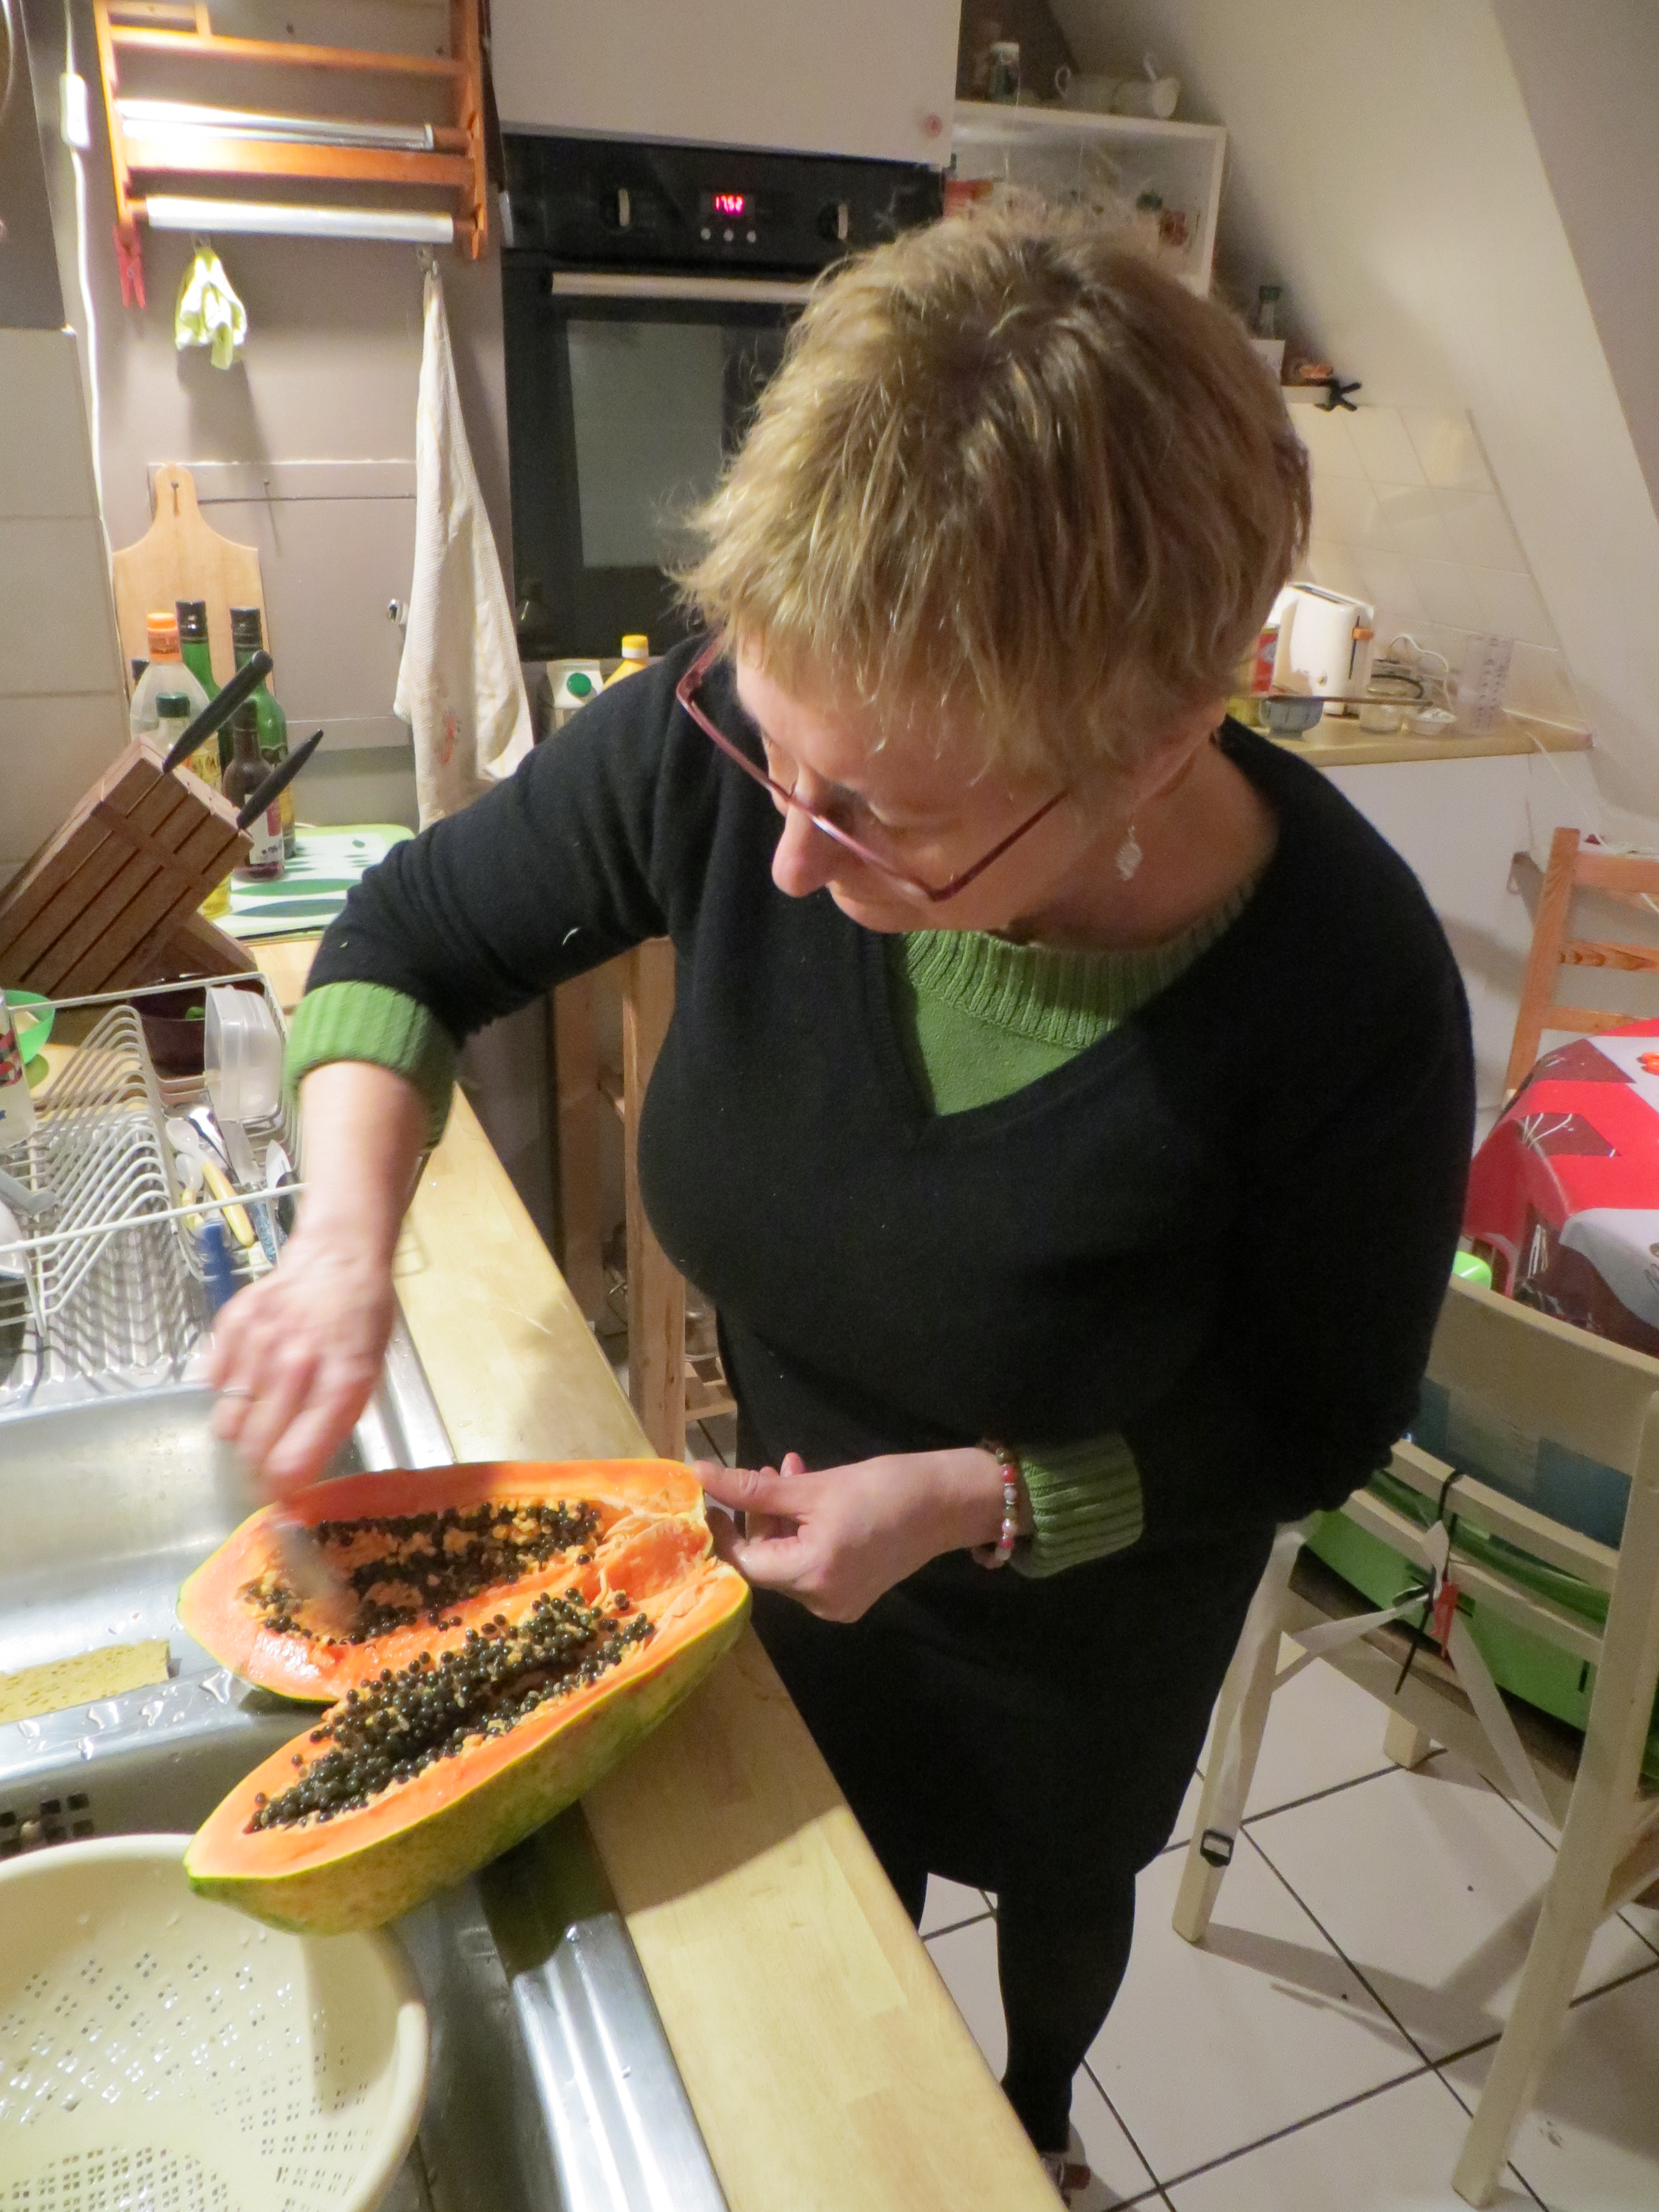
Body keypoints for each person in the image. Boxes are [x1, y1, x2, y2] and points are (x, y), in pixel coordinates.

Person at [211, 210, 1473, 2198]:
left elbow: (1318, 1414)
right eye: (774, 759)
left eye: (878, 818)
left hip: (1089, 1616)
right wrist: (342, 1248)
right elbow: (405, 938)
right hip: (782, 1563)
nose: (786, 865)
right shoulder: (742, 747)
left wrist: (985, 1497)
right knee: (836, 1923)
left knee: (1060, 1897)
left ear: (1150, 748)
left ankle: (1043, 2111)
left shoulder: (1348, 987)